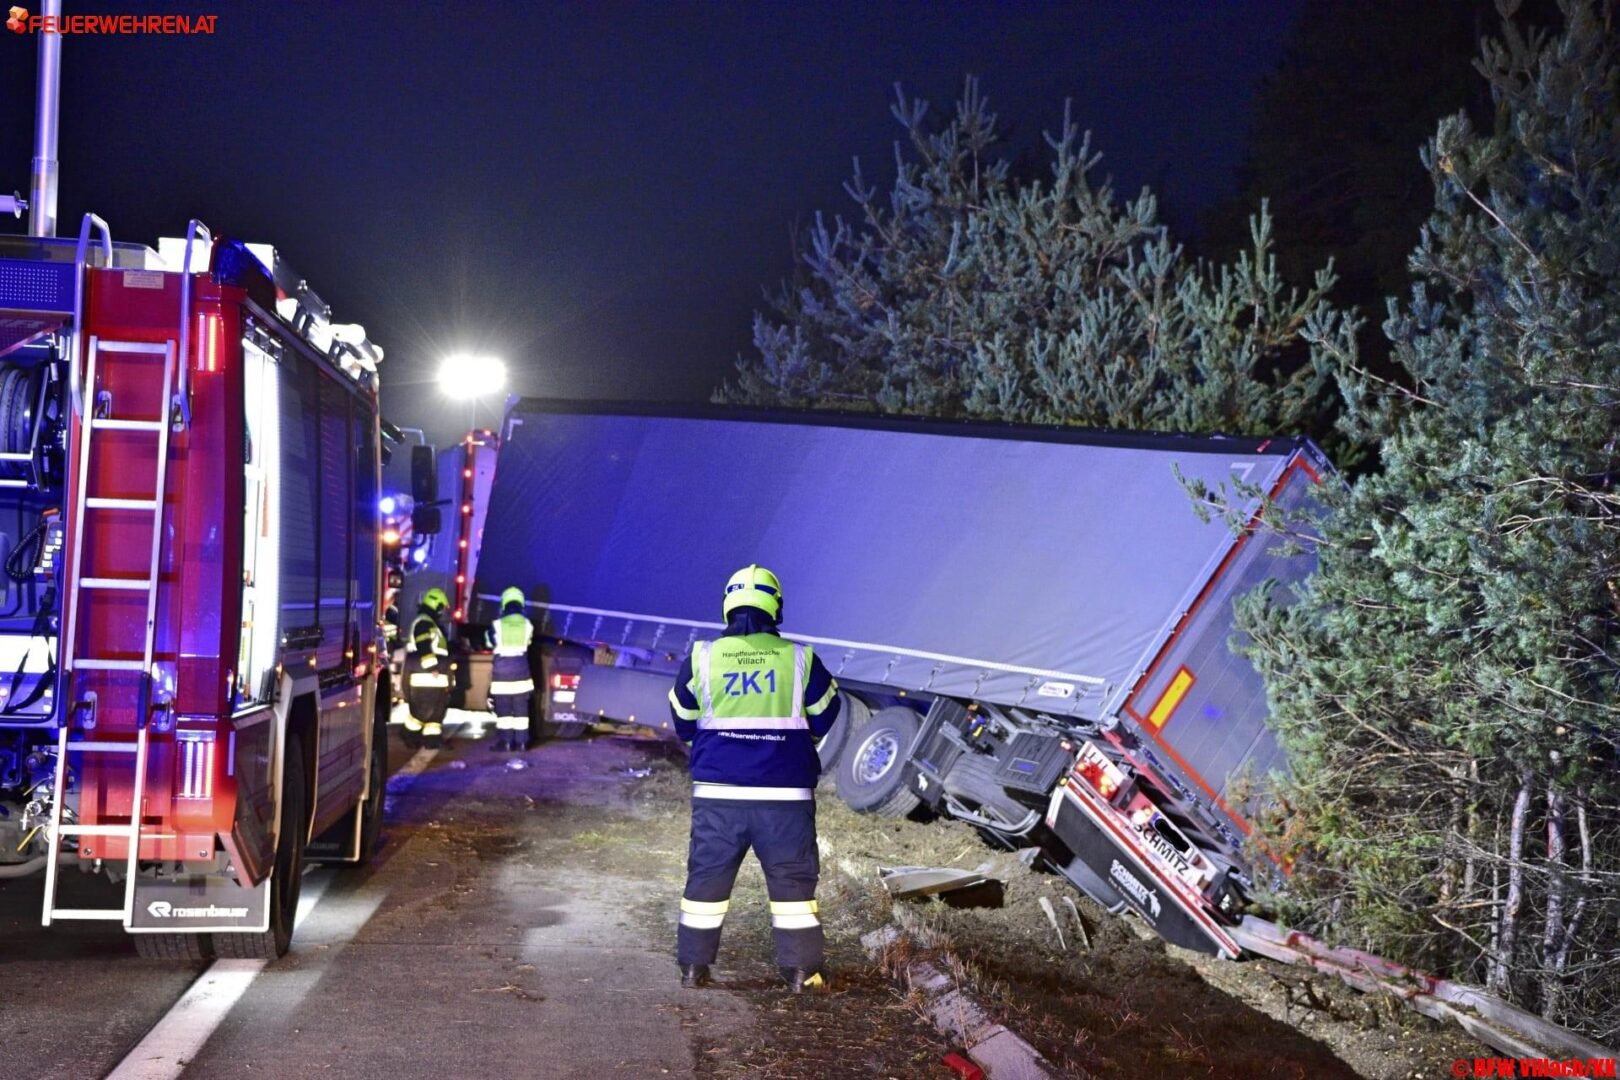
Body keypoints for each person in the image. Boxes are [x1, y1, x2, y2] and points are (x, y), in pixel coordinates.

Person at [667, 564, 842, 993]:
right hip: (786, 798)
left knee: (706, 880)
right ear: (775, 606)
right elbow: (826, 713)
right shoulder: (800, 658)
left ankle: (694, 968)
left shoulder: (703, 656)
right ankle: (802, 973)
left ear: (727, 604)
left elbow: (683, 719)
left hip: (718, 795)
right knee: (793, 888)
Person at [484, 585, 535, 752]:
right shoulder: (528, 625)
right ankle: (522, 743)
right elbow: (527, 644)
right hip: (521, 672)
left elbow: (489, 642)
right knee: (521, 711)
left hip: (502, 674)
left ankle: (505, 742)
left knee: (504, 711)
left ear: (504, 603)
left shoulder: (497, 624)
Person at [402, 587, 452, 748]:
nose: (442, 612)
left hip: (430, 676)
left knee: (433, 712)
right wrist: (433, 668)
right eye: (441, 607)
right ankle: (412, 737)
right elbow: (423, 645)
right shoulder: (424, 622)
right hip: (427, 675)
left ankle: (428, 740)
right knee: (424, 711)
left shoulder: (428, 622)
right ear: (435, 604)